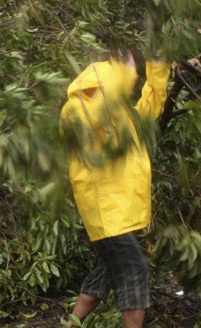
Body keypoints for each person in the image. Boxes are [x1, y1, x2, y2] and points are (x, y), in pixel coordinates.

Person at [59, 51, 170, 328]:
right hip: (106, 212)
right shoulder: (77, 109)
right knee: (135, 270)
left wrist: (158, 66)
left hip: (119, 211)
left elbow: (150, 109)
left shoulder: (121, 114)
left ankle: (71, 325)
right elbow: (97, 116)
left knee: (105, 272)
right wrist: (125, 73)